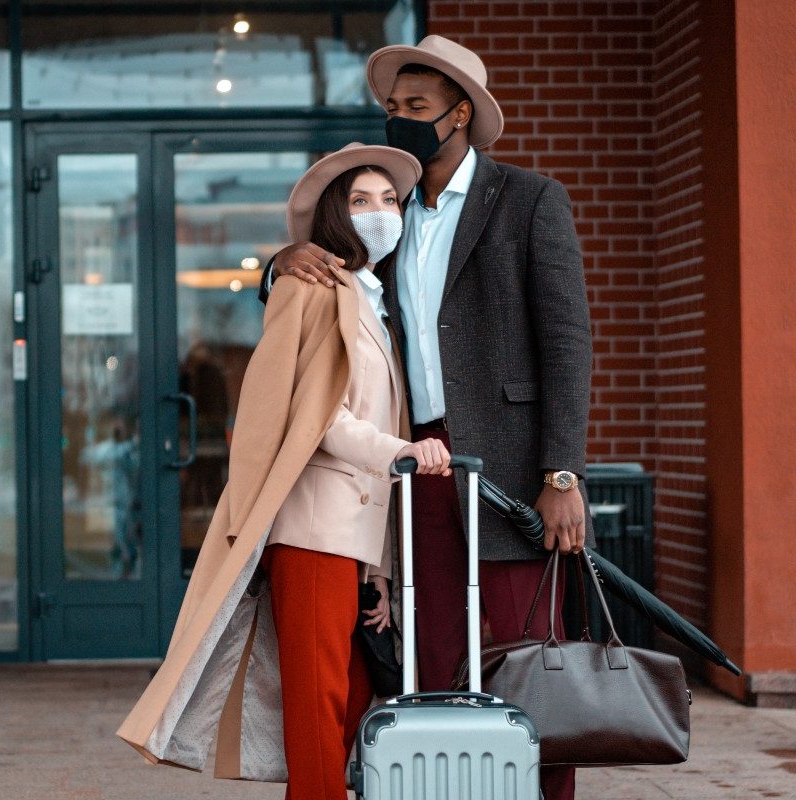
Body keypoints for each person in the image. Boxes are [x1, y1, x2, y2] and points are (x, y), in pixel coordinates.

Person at [260, 36, 594, 800]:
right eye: (391, 109)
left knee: (527, 652)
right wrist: (280, 261)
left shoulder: (527, 199)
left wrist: (563, 470)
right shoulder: (390, 211)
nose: (400, 120)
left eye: (416, 108)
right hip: (416, 460)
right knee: (435, 646)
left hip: (513, 466)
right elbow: (334, 282)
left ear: (460, 113)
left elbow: (568, 340)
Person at [117, 143, 452, 800]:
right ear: (335, 214)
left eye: (389, 201)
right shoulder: (311, 286)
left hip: (355, 540)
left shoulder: (381, 304)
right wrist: (400, 452)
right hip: (311, 530)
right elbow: (313, 416)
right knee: (317, 706)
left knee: (353, 701)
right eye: (361, 201)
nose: (380, 213)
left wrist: (380, 567)